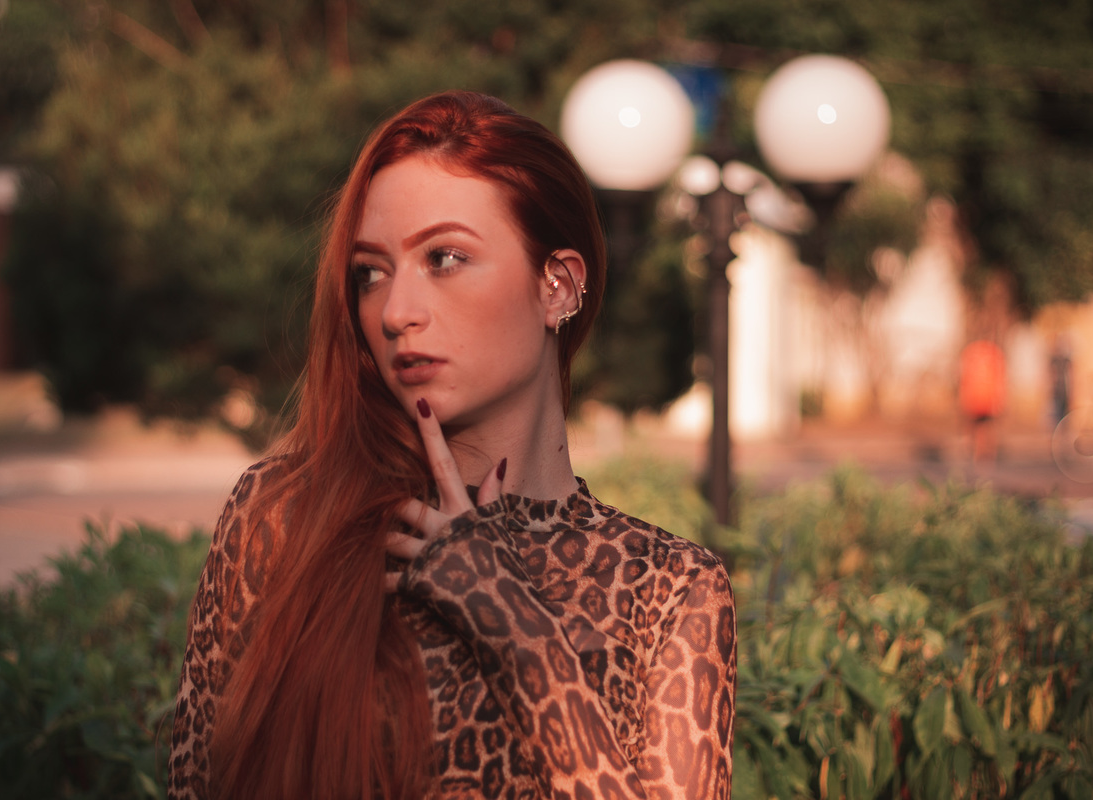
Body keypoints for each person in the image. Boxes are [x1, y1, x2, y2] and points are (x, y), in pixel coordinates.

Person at [166, 90, 736, 800]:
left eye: (444, 258)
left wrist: (509, 621)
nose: (398, 312)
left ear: (557, 284)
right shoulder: (284, 518)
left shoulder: (667, 590)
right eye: (371, 272)